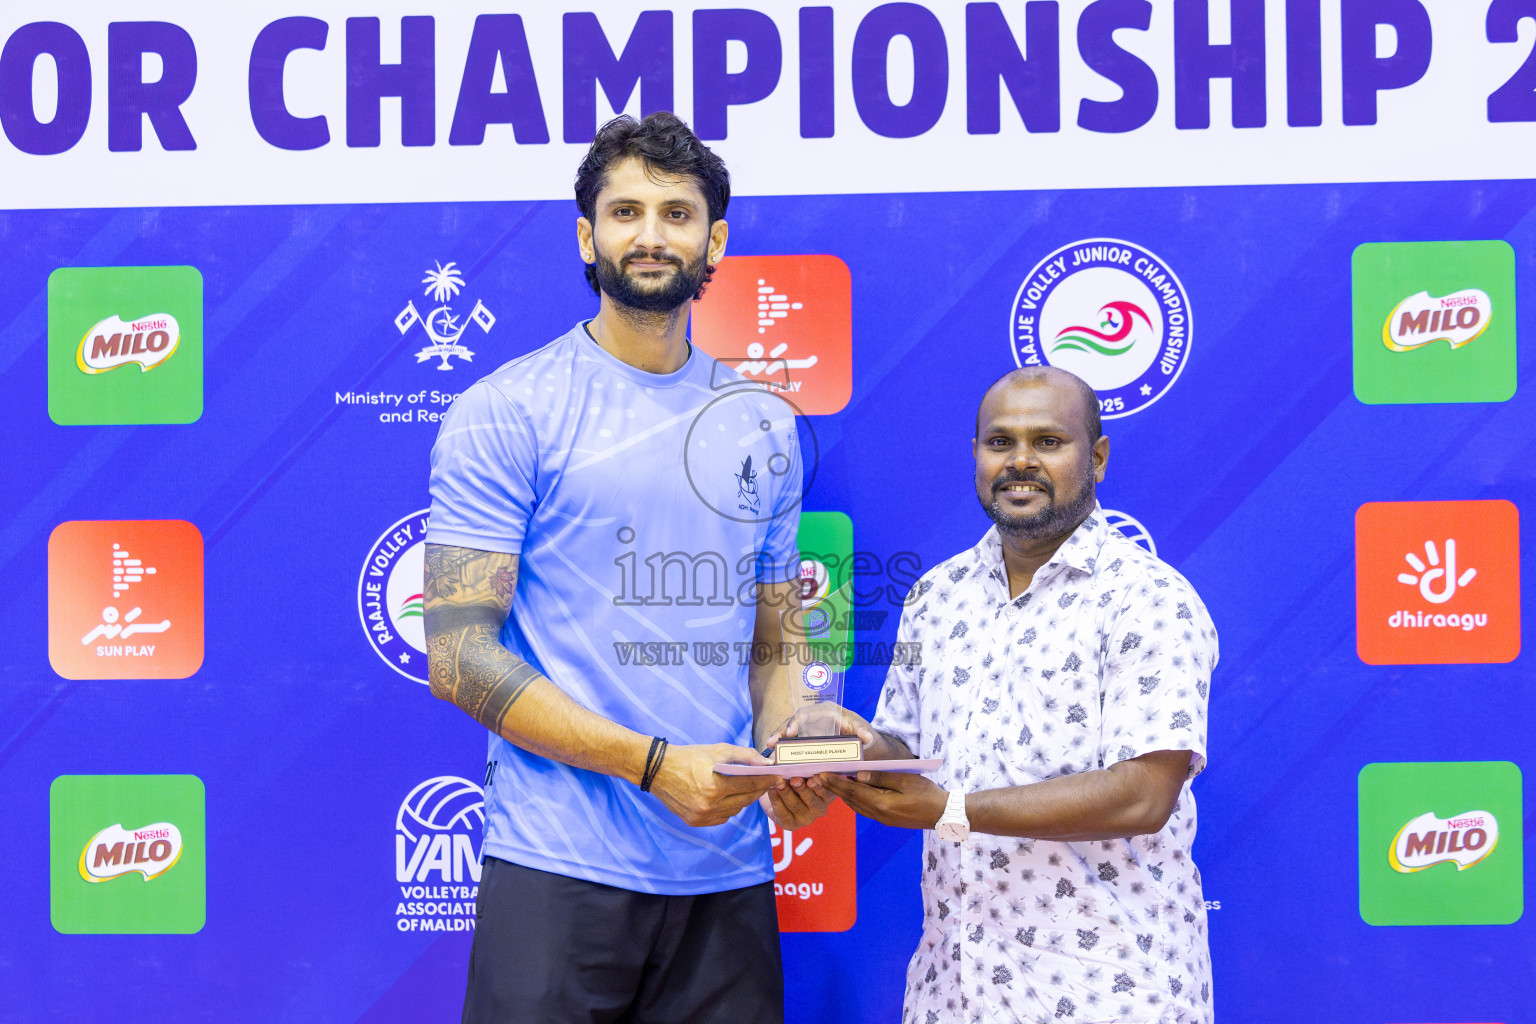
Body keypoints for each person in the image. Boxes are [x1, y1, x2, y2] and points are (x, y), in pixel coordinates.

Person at [423, 112, 827, 1024]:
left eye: (678, 213)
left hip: (725, 877)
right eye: (626, 211)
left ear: (714, 240)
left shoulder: (761, 420)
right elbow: (456, 655)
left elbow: (775, 635)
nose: (651, 235)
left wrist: (789, 746)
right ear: (587, 235)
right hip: (556, 876)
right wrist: (653, 766)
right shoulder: (508, 410)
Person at [821, 366, 1218, 1024]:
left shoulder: (1149, 598)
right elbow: (909, 749)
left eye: (1049, 442)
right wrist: (853, 746)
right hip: (957, 993)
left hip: (1110, 996)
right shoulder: (937, 596)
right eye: (999, 443)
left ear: (1096, 458)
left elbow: (1144, 796)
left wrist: (949, 810)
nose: (1021, 462)